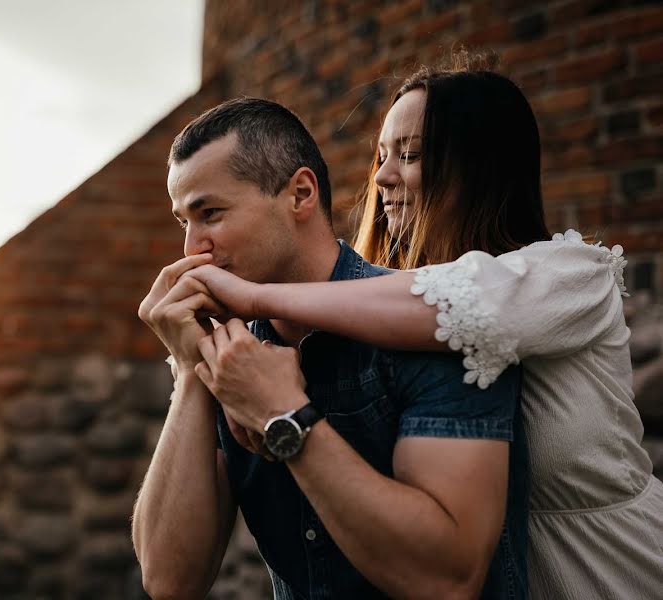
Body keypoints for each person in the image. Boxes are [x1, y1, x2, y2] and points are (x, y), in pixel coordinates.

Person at [184, 59, 663, 599]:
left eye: (409, 155)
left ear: (481, 165)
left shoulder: (572, 275)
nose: (383, 176)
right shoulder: (372, 305)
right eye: (381, 156)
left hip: (620, 572)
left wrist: (251, 299)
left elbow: (468, 305)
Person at [132, 96, 529, 599]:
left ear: (300, 194)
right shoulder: (225, 350)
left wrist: (283, 416)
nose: (192, 249)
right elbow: (170, 581)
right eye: (182, 221)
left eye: (209, 213)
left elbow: (446, 578)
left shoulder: (437, 326)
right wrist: (192, 371)